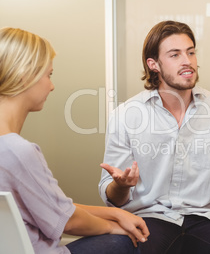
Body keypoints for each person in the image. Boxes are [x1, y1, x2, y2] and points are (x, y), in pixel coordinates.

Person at [99, 20, 210, 254]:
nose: (187, 61)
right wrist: (121, 186)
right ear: (153, 64)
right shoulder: (126, 115)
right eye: (175, 55)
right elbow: (113, 197)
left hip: (204, 218)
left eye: (190, 52)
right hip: (149, 218)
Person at [0, 27, 149, 254]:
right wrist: (113, 227)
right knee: (126, 242)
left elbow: (54, 207)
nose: (51, 85)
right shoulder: (18, 152)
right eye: (48, 75)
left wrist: (116, 213)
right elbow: (67, 222)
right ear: (25, 74)